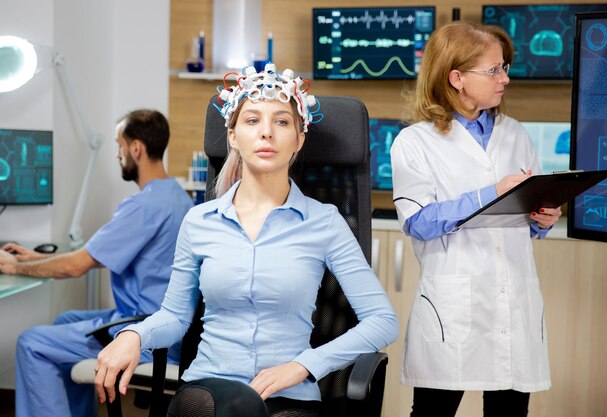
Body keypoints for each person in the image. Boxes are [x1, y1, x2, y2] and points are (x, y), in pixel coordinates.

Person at [94, 64, 399, 417]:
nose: (266, 133)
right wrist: (134, 335)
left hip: (289, 396)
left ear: (299, 139)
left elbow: (382, 320)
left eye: (282, 122)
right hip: (207, 391)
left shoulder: (325, 222)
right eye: (252, 120)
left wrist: (303, 366)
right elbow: (176, 316)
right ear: (234, 136)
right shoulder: (200, 221)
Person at [390, 22, 562, 417]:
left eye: (505, 68)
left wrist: (543, 219)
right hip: (453, 309)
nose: (505, 79)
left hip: (514, 299)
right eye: (494, 70)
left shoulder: (515, 133)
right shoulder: (415, 142)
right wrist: (492, 192)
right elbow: (417, 221)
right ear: (457, 78)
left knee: (509, 411)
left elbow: (526, 220)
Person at [0, 109, 194, 417]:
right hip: (164, 324)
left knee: (31, 343)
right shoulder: (177, 197)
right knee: (65, 319)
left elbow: (76, 266)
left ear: (136, 148)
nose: (118, 154)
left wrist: (14, 267)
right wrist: (37, 258)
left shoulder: (143, 206)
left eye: (120, 145)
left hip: (145, 331)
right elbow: (99, 254)